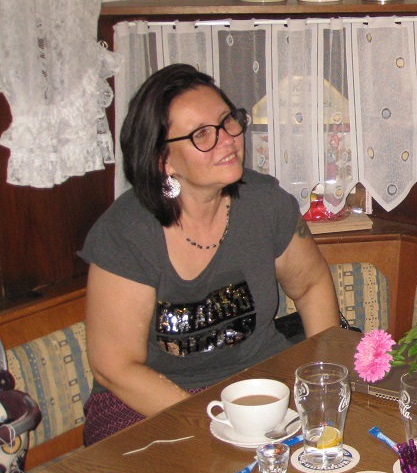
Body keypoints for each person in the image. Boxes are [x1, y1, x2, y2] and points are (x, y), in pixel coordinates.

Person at [80, 64, 340, 444]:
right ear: (163, 160)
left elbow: (311, 285)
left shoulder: (265, 203)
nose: (228, 139)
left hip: (256, 383)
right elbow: (114, 367)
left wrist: (323, 378)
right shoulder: (126, 233)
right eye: (202, 134)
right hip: (148, 398)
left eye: (228, 121)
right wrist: (212, 423)